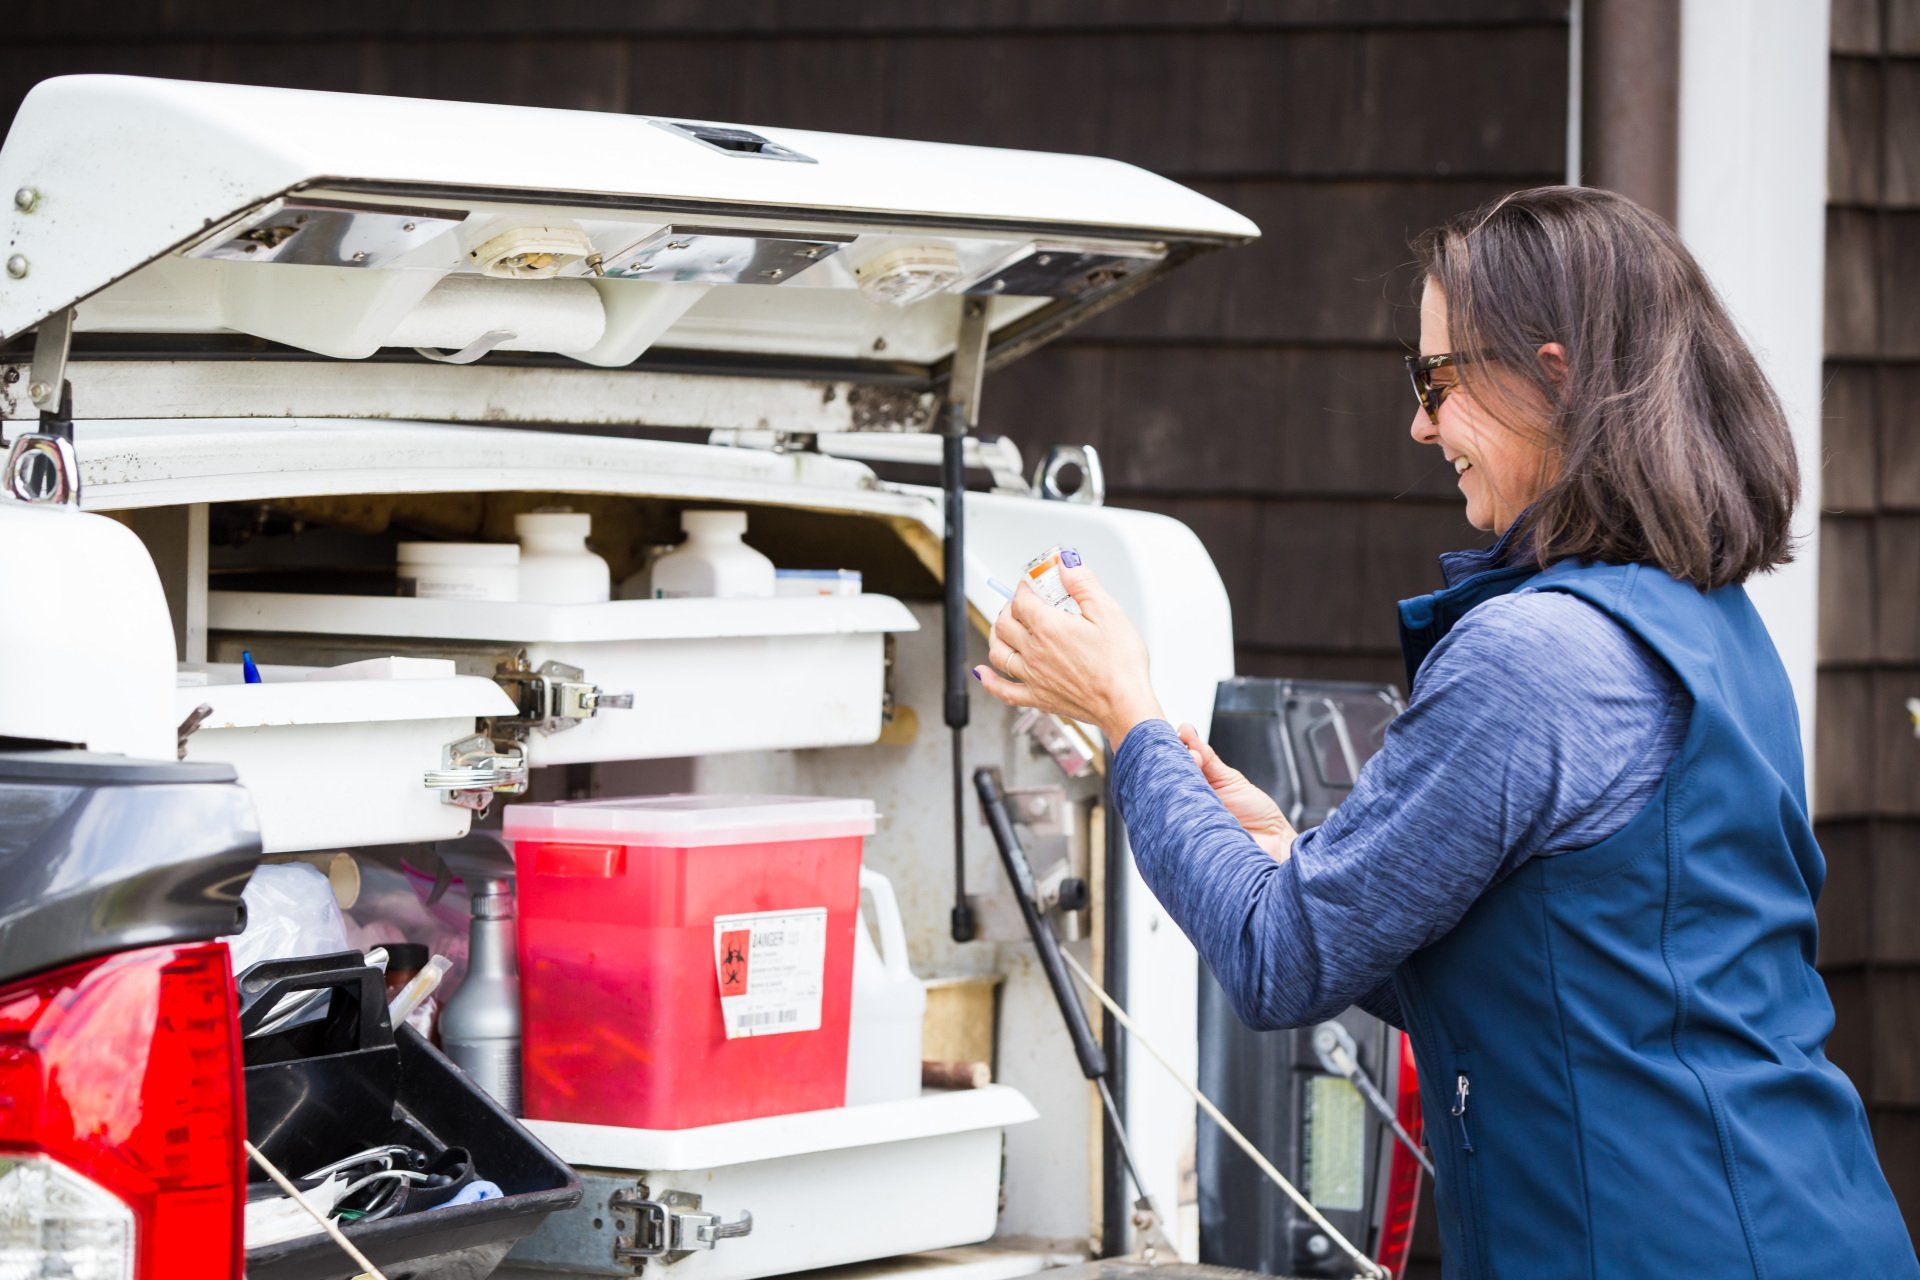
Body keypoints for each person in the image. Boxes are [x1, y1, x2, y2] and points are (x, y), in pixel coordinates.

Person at [973, 186, 1919, 1279]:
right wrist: (1293, 855)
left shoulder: (1534, 656)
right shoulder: (1711, 623)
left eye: (1439, 380)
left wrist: (1123, 713)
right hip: (1807, 1222)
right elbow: (1576, 962)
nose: (1420, 423)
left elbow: (1281, 958)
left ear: (1553, 374)